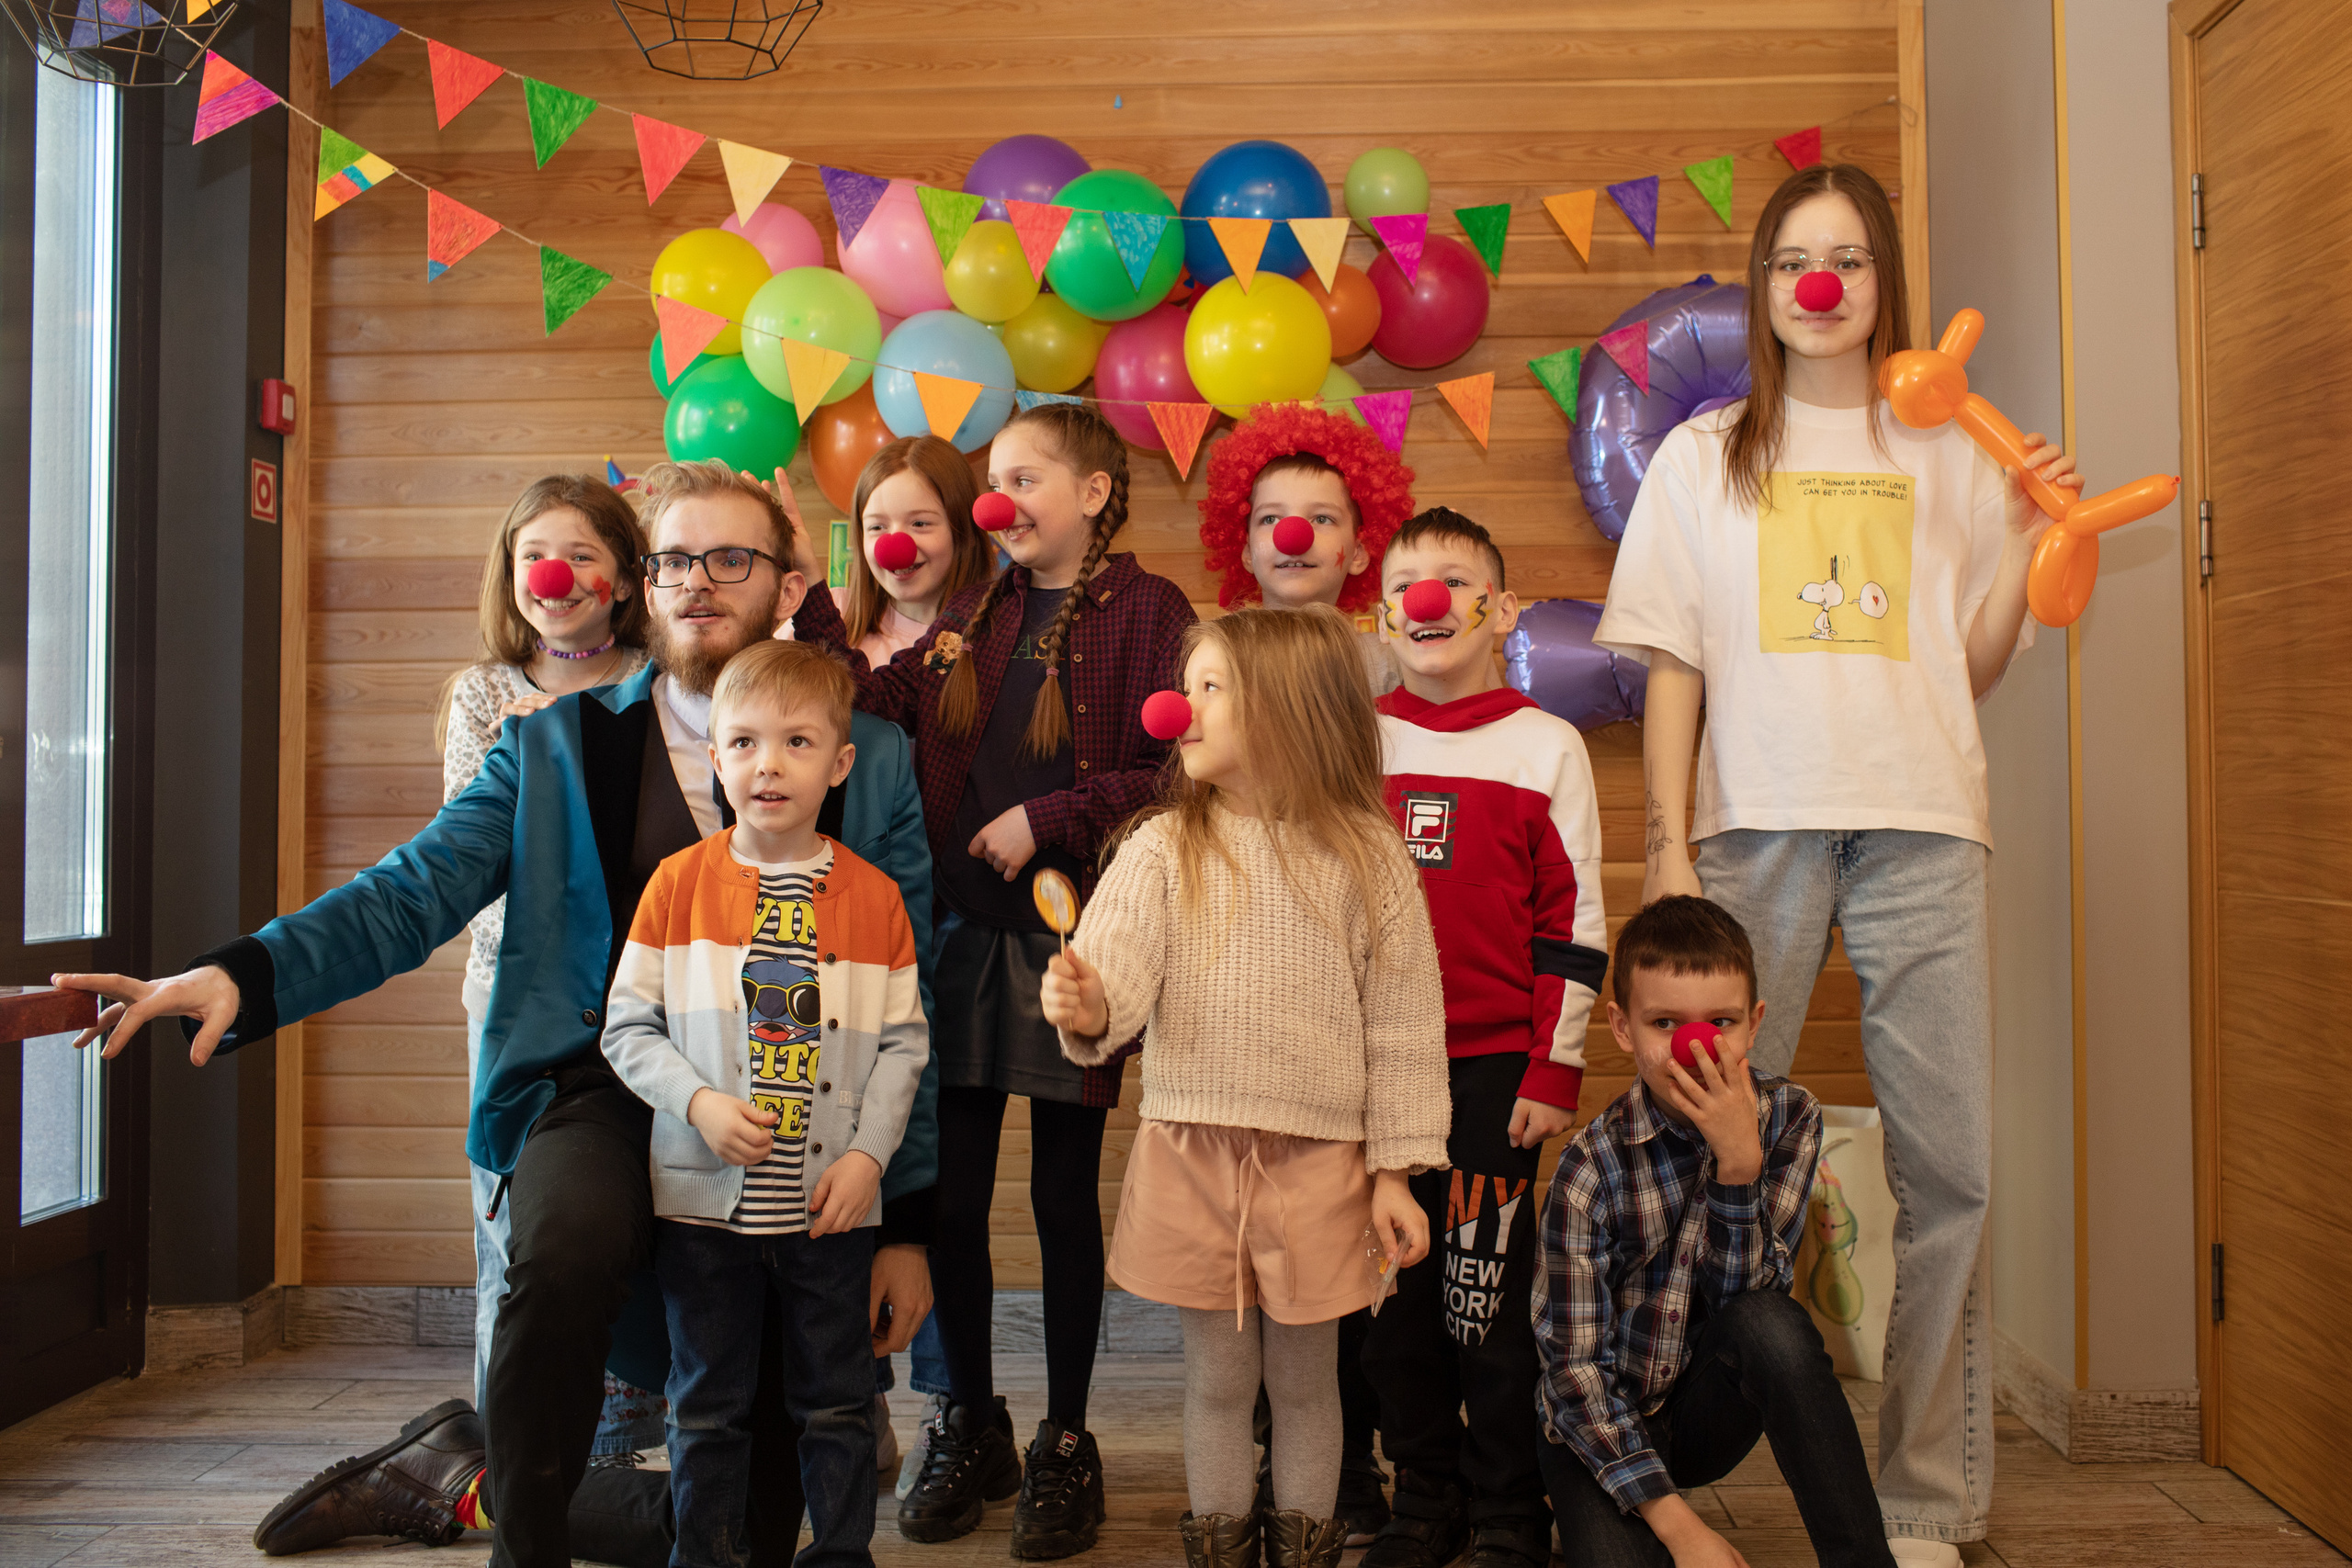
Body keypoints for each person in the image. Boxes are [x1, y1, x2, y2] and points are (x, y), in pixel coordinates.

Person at [59, 460, 939, 1568]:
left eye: (731, 559)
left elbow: (915, 999)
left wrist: (905, 1225)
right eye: (674, 559)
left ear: (786, 583)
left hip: (791, 1133)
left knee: (759, 1512)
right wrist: (244, 974)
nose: (698, 583)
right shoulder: (549, 746)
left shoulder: (875, 760)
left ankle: (455, 1477)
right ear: (643, 583)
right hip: (600, 1088)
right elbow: (408, 892)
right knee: (559, 1248)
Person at [1592, 163, 2079, 1567]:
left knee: (1954, 1169)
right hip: (1755, 825)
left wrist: (2034, 540)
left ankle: (1927, 1496)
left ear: (1884, 285)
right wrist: (1672, 841)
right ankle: (1642, 1457)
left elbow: (1972, 662)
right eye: (1796, 259)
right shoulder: (1704, 454)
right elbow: (1673, 663)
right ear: (1761, 286)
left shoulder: (1959, 446)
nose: (1823, 284)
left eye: (1850, 259)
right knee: (1692, 1144)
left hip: (1927, 818)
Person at [792, 401, 1195, 1557]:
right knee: (951, 1202)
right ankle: (968, 1418)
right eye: (995, 481)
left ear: (1096, 494)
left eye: (1023, 479)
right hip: (959, 940)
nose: (996, 502)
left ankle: (1069, 1437)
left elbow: (1171, 772)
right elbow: (877, 704)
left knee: (1063, 1200)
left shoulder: (1151, 611)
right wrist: (809, 599)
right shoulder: (978, 607)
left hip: (1078, 949)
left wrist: (1047, 817)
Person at [1038, 604, 1451, 1568]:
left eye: (1209, 689)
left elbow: (1402, 1027)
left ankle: (1303, 1553)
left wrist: (1396, 1172)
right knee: (1219, 1379)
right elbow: (1115, 993)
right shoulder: (1158, 848)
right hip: (1193, 1153)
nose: (1178, 709)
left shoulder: (1368, 856)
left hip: (1320, 1163)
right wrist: (1085, 1004)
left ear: (1288, 712)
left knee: (1308, 1382)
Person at [602, 638, 929, 1568]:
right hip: (704, 1212)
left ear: (840, 763)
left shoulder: (873, 899)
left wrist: (867, 1159)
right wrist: (700, 1104)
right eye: (742, 743)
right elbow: (628, 1029)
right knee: (705, 1405)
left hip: (830, 1215)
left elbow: (905, 1045)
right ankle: (701, 1557)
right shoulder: (678, 886)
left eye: (795, 743)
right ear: (714, 758)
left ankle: (839, 1556)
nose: (767, 764)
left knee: (834, 1403)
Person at [1360, 508, 1608, 1568]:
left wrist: (1553, 1067)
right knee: (1392, 1302)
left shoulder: (1547, 744)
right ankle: (1424, 1496)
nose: (1428, 599)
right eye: (1407, 583)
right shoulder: (1354, 738)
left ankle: (1511, 1505)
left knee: (1483, 1301)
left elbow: (1576, 924)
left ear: (1499, 610)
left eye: (1454, 580)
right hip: (1374, 1075)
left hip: (1495, 1069)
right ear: (1382, 615)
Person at [1535, 896, 1893, 1568]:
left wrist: (1738, 1164)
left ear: (1753, 1024)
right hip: (1600, 1423)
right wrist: (1682, 1528)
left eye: (1719, 1022)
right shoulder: (1590, 1165)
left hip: (1705, 1407)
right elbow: (1573, 1372)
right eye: (1665, 1022)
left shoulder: (1789, 1118)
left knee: (1772, 1321)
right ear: (1622, 1026)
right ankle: (1568, 1506)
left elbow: (1751, 1308)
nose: (1694, 1047)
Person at [435, 473, 653, 1415]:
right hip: (516, 997)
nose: (553, 574)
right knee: (511, 1222)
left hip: (643, 994)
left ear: (624, 577)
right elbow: (466, 864)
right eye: (532, 555)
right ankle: (504, 1444)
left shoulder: (658, 681)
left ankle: (652, 1445)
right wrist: (527, 763)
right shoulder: (485, 695)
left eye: (580, 555)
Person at [1199, 401, 1417, 698]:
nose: (1292, 537)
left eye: (1322, 518)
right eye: (1270, 519)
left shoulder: (1390, 664)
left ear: (1359, 552)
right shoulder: (1219, 660)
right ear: (1248, 552)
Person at [828, 434, 997, 666]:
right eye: (877, 527)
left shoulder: (997, 638)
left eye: (920, 524)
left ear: (962, 531)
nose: (896, 549)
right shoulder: (830, 614)